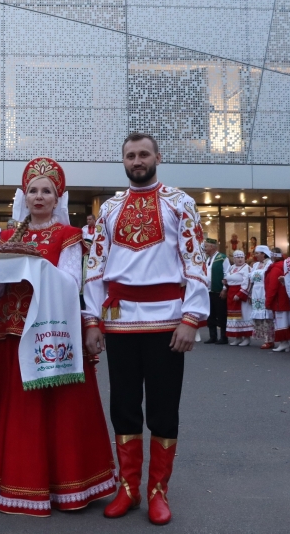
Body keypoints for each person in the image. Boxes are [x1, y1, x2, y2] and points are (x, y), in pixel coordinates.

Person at [0, 158, 116, 516]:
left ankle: (65, 484)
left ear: (57, 197)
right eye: (32, 190)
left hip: (52, 331)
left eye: (46, 190)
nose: (38, 196)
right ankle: (17, 480)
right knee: (18, 408)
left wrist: (33, 263)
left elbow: (70, 284)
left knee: (57, 409)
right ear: (24, 195)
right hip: (12, 333)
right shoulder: (6, 236)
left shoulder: (68, 236)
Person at [83, 133, 208, 526]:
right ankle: (127, 488)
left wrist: (191, 318)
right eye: (130, 155)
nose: (137, 161)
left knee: (163, 409)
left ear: (158, 156)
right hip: (119, 321)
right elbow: (95, 268)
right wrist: (91, 319)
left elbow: (195, 260)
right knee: (123, 407)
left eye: (143, 154)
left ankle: (158, 492)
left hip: (167, 321)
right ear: (123, 161)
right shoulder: (110, 208)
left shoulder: (181, 202)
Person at [265, 248, 290, 352]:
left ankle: (283, 343)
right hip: (288, 299)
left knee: (281, 322)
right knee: (289, 321)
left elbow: (272, 286)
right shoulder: (287, 265)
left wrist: (268, 301)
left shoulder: (275, 268)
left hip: (279, 300)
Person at [203, 238, 230, 344]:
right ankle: (212, 336)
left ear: (212, 247)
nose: (205, 248)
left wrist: (224, 289)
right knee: (211, 314)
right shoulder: (207, 259)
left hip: (218, 290)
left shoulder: (222, 258)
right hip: (208, 291)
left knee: (221, 314)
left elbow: (227, 273)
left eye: (206, 246)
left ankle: (224, 337)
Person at [224, 250, 252, 346]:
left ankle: (246, 338)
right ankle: (238, 337)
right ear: (234, 259)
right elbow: (228, 279)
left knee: (244, 315)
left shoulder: (247, 268)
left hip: (240, 294)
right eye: (238, 257)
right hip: (231, 293)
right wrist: (225, 283)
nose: (240, 259)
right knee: (234, 317)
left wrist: (240, 294)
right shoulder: (232, 268)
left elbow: (247, 282)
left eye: (241, 257)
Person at [248, 246, 274, 349]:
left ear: (263, 253)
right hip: (256, 292)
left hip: (265, 290)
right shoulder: (255, 265)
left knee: (267, 316)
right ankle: (265, 338)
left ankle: (270, 339)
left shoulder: (270, 264)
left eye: (257, 253)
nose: (255, 255)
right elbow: (251, 280)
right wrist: (249, 293)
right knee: (260, 317)